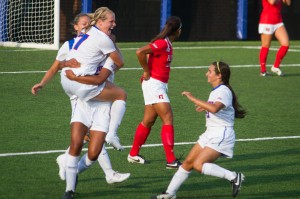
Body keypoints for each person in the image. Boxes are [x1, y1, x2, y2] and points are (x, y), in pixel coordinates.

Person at [155, 61, 247, 199]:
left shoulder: (224, 91)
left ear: (219, 75)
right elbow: (215, 107)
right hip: (210, 133)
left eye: (210, 71)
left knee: (199, 165)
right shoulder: (217, 90)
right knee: (187, 163)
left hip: (221, 134)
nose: (206, 74)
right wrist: (205, 106)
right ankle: (169, 194)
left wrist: (194, 99)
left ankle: (234, 177)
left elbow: (215, 108)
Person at [127, 16, 182, 169]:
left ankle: (133, 154)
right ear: (178, 30)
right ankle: (171, 160)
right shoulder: (162, 43)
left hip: (158, 85)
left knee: (149, 120)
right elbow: (140, 52)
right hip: (154, 85)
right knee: (167, 118)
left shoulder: (167, 43)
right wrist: (146, 71)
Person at [258, 0, 291, 77]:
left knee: (285, 44)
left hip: (278, 21)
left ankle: (275, 66)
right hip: (267, 21)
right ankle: (263, 71)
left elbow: (288, 3)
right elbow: (272, 1)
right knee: (265, 46)